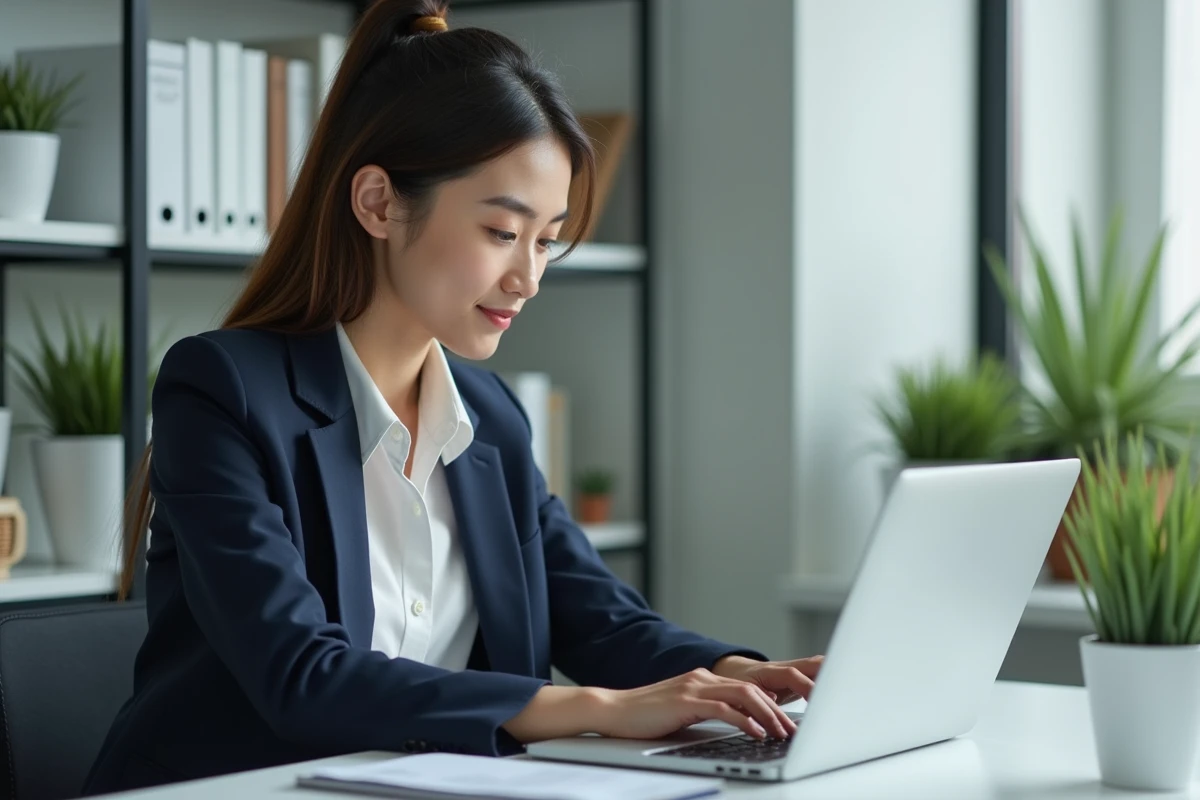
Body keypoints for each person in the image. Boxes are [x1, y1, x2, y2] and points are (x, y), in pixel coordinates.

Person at [83, 0, 823, 793]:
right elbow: (303, 676)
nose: (529, 278)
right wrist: (595, 707)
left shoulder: (491, 418)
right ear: (377, 202)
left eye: (546, 240)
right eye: (503, 233)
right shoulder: (224, 391)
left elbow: (604, 621)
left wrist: (751, 676)